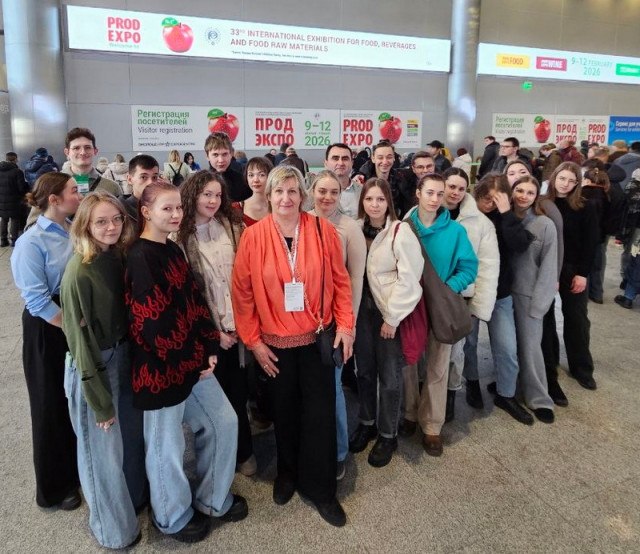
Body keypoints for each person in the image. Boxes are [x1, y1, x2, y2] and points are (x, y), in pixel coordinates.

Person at [232, 165, 354, 527]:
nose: (285, 198)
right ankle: (287, 474)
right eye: (278, 191)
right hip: (274, 345)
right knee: (283, 413)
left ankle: (321, 489)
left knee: (319, 414)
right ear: (268, 195)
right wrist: (254, 343)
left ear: (302, 196)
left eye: (292, 191)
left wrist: (346, 327)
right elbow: (242, 293)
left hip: (317, 338)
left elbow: (341, 282)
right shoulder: (253, 237)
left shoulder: (322, 230)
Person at [126, 182, 246, 543]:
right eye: (167, 209)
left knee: (224, 422)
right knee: (166, 447)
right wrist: (195, 358)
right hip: (160, 371)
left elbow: (193, 301)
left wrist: (208, 343)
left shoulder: (172, 249)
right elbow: (153, 324)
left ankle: (212, 498)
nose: (176, 214)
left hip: (192, 362)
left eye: (178, 207)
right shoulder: (140, 257)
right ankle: (171, 516)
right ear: (146, 212)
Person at [60, 191, 144, 549]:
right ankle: (114, 531)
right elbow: (80, 343)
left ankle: (133, 504)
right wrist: (99, 401)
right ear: (85, 225)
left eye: (116, 219)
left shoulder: (116, 256)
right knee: (102, 456)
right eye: (101, 221)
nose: (111, 227)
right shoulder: (79, 272)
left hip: (122, 357)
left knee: (129, 442)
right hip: (95, 366)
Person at [10, 172, 83, 511]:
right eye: (73, 191)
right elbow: (37, 300)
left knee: (74, 400)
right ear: (54, 200)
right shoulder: (31, 242)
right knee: (50, 403)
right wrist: (73, 328)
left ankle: (77, 469)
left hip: (72, 319)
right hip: (48, 327)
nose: (79, 195)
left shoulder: (72, 229)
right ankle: (55, 487)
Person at [176, 170, 256, 477]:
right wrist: (214, 333)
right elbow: (187, 295)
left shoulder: (232, 227)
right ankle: (218, 461)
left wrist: (243, 324)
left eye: (218, 195)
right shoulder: (179, 237)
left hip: (240, 327)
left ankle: (243, 451)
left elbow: (247, 277)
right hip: (208, 333)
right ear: (192, 196)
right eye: (206, 194)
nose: (213, 201)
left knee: (239, 394)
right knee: (214, 403)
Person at [348, 177, 423, 467]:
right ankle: (367, 422)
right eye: (369, 199)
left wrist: (392, 318)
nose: (375, 205)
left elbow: (410, 279)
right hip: (361, 310)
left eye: (380, 199)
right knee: (364, 371)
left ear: (388, 202)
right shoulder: (355, 229)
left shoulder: (399, 232)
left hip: (387, 312)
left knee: (390, 377)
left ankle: (388, 433)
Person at [403, 173, 478, 456]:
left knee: (438, 366)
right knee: (409, 363)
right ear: (418, 193)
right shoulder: (404, 228)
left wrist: (449, 288)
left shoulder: (455, 231)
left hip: (440, 307)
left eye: (439, 194)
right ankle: (410, 412)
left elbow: (469, 267)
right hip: (411, 307)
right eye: (429, 193)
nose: (435, 199)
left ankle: (432, 425)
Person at [308, 170, 366, 476]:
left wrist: (349, 325)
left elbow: (355, 279)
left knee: (332, 388)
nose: (327, 197)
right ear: (312, 192)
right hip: (302, 322)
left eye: (334, 192)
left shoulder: (349, 228)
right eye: (322, 191)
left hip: (334, 323)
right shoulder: (301, 221)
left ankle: (338, 451)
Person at [464, 174, 535, 424]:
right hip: (471, 292)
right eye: (486, 198)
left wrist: (505, 213)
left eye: (496, 200)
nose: (490, 204)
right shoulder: (468, 215)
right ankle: (472, 382)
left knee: (507, 348)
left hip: (500, 293)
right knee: (468, 343)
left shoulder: (507, 218)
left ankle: (506, 394)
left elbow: (520, 245)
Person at [441, 168, 499, 423]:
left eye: (460, 188)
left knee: (455, 352)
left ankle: (450, 395)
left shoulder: (480, 223)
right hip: (427, 295)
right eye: (451, 186)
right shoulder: (423, 213)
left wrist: (478, 306)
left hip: (460, 297)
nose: (455, 192)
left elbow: (487, 267)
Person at [542, 162, 599, 391]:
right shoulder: (543, 203)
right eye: (562, 178)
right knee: (546, 319)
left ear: (577, 183)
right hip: (548, 267)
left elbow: (591, 242)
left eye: (571, 181)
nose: (565, 184)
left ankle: (582, 368)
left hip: (573, 268)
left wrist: (583, 273)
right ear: (554, 178)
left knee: (577, 319)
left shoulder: (585, 206)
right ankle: (551, 362)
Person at [509, 175, 558, 424]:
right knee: (507, 347)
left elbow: (549, 267)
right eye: (519, 190)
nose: (523, 196)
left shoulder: (544, 224)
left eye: (530, 192)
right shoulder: (504, 218)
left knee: (530, 348)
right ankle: (509, 385)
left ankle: (539, 398)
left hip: (529, 294)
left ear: (536, 196)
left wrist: (541, 303)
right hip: (504, 294)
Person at [356, 142, 412, 217]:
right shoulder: (362, 180)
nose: (385, 162)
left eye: (389, 157)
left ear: (394, 158)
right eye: (380, 158)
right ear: (373, 159)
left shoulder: (401, 179)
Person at [204, 132, 252, 202]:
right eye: (215, 155)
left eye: (224, 154)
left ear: (231, 153)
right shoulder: (200, 183)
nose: (221, 160)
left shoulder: (243, 181)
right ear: (207, 156)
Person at [323, 143, 363, 219]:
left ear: (352, 163)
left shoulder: (363, 191)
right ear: (326, 163)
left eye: (345, 159)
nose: (340, 163)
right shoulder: (313, 193)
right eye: (335, 158)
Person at [121, 154, 163, 223]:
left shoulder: (165, 206)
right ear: (129, 179)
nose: (150, 182)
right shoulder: (120, 211)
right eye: (143, 177)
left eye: (154, 177)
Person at [235, 156, 273, 227]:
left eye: (261, 175)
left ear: (270, 177)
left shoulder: (278, 207)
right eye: (251, 175)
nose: (255, 180)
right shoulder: (236, 208)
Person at [0, 152, 28, 246]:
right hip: (14, 200)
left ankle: (3, 240)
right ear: (15, 159)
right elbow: (21, 188)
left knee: (4, 219)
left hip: (1, 199)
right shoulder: (17, 172)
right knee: (15, 219)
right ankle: (14, 240)